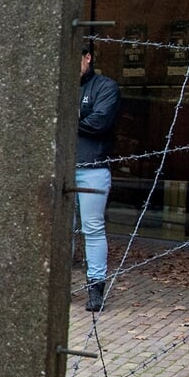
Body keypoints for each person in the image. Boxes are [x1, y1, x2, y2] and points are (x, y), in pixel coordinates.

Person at [78, 43, 120, 312]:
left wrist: (66, 117)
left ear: (88, 57)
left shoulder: (106, 87)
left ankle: (96, 287)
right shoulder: (57, 85)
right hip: (58, 169)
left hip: (92, 168)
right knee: (56, 230)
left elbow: (100, 122)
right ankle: (54, 286)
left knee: (92, 229)